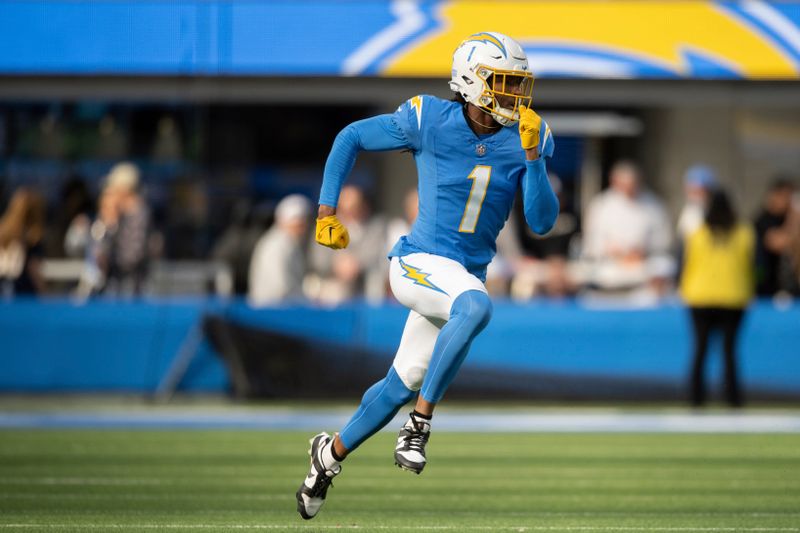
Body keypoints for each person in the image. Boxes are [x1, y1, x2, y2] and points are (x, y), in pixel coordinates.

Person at [295, 32, 558, 520]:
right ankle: (419, 425)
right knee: (477, 305)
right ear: (471, 81)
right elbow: (350, 136)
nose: (514, 96)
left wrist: (534, 160)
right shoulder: (429, 118)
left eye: (519, 85)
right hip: (417, 264)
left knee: (400, 382)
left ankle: (327, 456)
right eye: (502, 83)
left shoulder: (530, 135)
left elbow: (542, 223)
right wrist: (327, 212)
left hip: (460, 278)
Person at [680, 189, 754, 408]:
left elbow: (686, 264)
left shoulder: (699, 234)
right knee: (729, 351)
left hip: (700, 297)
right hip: (733, 296)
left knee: (700, 349)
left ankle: (696, 400)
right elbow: (752, 265)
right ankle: (733, 400)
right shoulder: (743, 233)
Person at [582, 160, 674, 299]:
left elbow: (662, 241)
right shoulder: (601, 205)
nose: (628, 189)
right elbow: (592, 241)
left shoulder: (654, 205)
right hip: (609, 265)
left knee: (663, 266)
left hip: (642, 265)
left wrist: (641, 252)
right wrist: (616, 252)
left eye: (632, 184)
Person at [306, 184, 387, 304]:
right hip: (333, 284)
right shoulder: (325, 227)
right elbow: (317, 259)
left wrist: (356, 263)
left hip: (365, 285)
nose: (350, 212)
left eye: (355, 207)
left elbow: (377, 253)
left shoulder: (376, 226)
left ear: (363, 205)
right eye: (345, 208)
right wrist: (336, 264)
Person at [248, 194, 311, 306]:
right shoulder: (275, 244)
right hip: (270, 313)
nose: (302, 229)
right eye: (297, 224)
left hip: (283, 308)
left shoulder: (291, 244)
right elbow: (280, 289)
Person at [0, 187, 47, 298]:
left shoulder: (3, 232)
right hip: (24, 293)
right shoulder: (32, 238)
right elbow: (33, 269)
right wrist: (45, 293)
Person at [754, 178, 796, 296]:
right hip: (764, 288)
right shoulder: (763, 220)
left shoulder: (784, 218)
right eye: (786, 197)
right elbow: (777, 243)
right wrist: (794, 219)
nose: (788, 202)